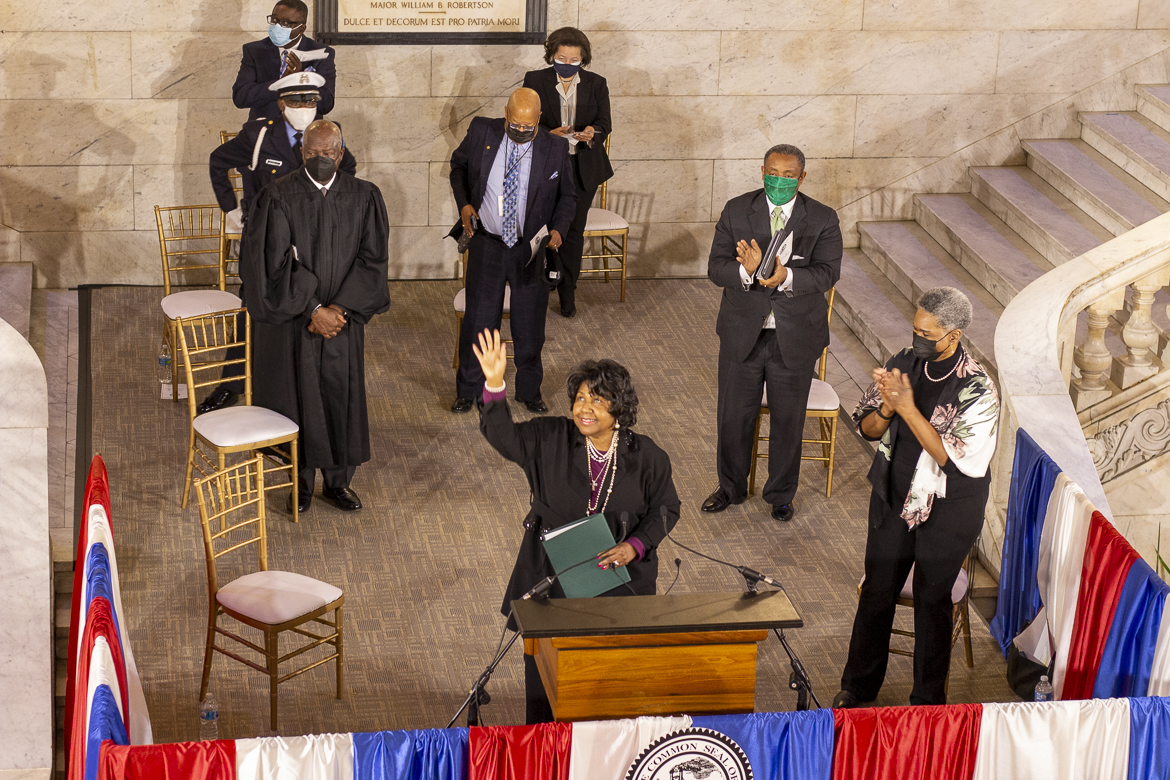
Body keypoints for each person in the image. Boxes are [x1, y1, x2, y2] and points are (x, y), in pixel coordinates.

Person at [472, 328, 681, 723]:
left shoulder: (648, 457)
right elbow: (503, 438)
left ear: (620, 409)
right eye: (581, 398)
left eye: (598, 400)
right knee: (545, 677)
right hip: (552, 575)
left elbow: (667, 508)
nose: (585, 408)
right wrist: (495, 384)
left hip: (620, 579)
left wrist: (635, 545)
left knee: (607, 681)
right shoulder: (550, 438)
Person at [833, 287, 999, 708]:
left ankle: (927, 700)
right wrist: (888, 408)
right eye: (914, 329)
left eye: (927, 333)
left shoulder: (978, 388)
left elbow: (950, 460)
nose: (917, 339)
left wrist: (907, 408)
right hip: (895, 491)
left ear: (954, 335)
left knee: (931, 599)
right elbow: (867, 429)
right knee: (878, 588)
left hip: (949, 505)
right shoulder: (905, 362)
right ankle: (858, 685)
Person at [239, 120, 390, 514]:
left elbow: (373, 261)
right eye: (312, 154)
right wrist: (313, 309)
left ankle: (337, 484)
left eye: (328, 154)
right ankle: (300, 484)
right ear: (300, 153)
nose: (320, 160)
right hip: (297, 322)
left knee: (342, 399)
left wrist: (338, 310)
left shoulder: (364, 196)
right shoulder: (277, 197)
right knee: (298, 400)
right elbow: (269, 267)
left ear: (341, 154)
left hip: (342, 322)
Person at [199, 72, 357, 415]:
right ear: (281, 103)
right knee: (253, 311)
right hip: (267, 242)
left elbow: (349, 174)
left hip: (313, 242)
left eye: (312, 101)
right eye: (298, 101)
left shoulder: (327, 134)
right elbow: (218, 162)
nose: (305, 108)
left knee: (307, 306)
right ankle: (232, 384)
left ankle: (298, 385)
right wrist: (232, 209)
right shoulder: (259, 134)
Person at [702, 144, 842, 523]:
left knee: (787, 420)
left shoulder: (823, 218)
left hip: (793, 336)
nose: (779, 181)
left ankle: (780, 495)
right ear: (761, 170)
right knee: (733, 417)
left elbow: (829, 272)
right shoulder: (736, 209)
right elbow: (716, 268)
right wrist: (747, 272)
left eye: (788, 175)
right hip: (742, 332)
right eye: (773, 173)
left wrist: (787, 277)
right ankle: (730, 488)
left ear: (802, 176)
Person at [448, 87, 576, 415]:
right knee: (479, 322)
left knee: (529, 326)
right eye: (515, 125)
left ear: (539, 121)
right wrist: (464, 205)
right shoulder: (481, 131)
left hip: (529, 250)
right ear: (506, 115)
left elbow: (568, 197)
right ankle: (468, 391)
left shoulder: (555, 148)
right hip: (488, 243)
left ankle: (529, 392)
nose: (520, 132)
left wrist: (559, 230)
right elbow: (458, 167)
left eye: (528, 127)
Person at [522, 27, 613, 318]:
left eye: (575, 59)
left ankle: (568, 292)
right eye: (562, 57)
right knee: (541, 226)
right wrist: (549, 133)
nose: (568, 63)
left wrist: (592, 132)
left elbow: (604, 122)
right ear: (552, 55)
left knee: (573, 232)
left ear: (583, 59)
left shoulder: (597, 83)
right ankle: (541, 282)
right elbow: (525, 121)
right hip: (546, 165)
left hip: (581, 166)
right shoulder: (534, 80)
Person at [233, 0, 336, 122]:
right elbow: (241, 97)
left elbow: (326, 105)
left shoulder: (321, 53)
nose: (277, 26)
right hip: (264, 132)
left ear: (301, 28)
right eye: (274, 20)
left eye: (286, 23)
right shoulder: (254, 51)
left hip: (304, 135)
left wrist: (300, 79)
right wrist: (281, 83)